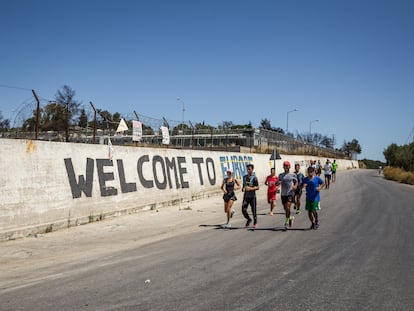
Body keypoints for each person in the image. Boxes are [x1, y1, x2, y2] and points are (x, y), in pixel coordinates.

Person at [277, 161, 298, 229]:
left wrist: (295, 186)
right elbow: (277, 183)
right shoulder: (281, 175)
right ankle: (290, 218)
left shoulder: (293, 175)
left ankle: (286, 222)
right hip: (283, 194)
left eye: (287, 166)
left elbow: (296, 182)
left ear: (289, 166)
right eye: (284, 166)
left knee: (288, 207)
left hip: (290, 193)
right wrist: (277, 183)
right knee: (285, 208)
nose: (286, 167)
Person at [241, 163, 259, 228]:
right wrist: (243, 189)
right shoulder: (244, 177)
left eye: (249, 169)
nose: (248, 170)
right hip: (246, 196)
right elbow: (243, 186)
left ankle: (255, 222)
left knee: (254, 210)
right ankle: (249, 219)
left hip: (252, 197)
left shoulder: (254, 178)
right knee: (243, 209)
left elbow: (257, 187)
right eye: (247, 169)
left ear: (252, 169)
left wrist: (251, 188)